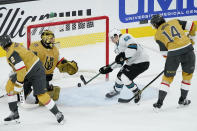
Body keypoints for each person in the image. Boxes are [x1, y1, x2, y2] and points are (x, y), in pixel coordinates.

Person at [0, 35, 65, 124]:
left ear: (2, 45)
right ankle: (14, 112)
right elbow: (23, 61)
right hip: (29, 69)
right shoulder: (16, 44)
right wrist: (15, 72)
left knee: (41, 95)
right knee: (9, 86)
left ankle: (58, 113)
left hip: (35, 71)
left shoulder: (11, 53)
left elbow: (21, 70)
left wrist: (19, 85)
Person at [150, 14, 196, 109]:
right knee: (187, 77)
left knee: (167, 79)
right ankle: (182, 100)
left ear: (155, 25)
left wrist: (171, 62)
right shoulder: (175, 21)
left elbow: (165, 54)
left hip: (173, 55)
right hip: (188, 50)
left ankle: (159, 103)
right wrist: (191, 39)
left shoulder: (157, 35)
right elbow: (193, 25)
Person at [27, 30, 78, 104]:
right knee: (25, 89)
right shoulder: (35, 47)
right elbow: (29, 61)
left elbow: (58, 60)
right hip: (33, 74)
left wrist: (65, 65)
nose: (53, 40)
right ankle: (25, 89)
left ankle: (46, 89)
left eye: (53, 38)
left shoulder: (55, 49)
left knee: (42, 100)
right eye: (51, 38)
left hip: (45, 76)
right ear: (45, 38)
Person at [99, 29, 150, 103]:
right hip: (131, 63)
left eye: (112, 38)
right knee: (119, 77)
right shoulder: (117, 47)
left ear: (116, 35)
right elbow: (120, 62)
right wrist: (109, 68)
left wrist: (123, 55)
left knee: (124, 78)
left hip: (142, 62)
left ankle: (137, 92)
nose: (111, 40)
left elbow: (133, 47)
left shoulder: (125, 37)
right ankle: (117, 91)